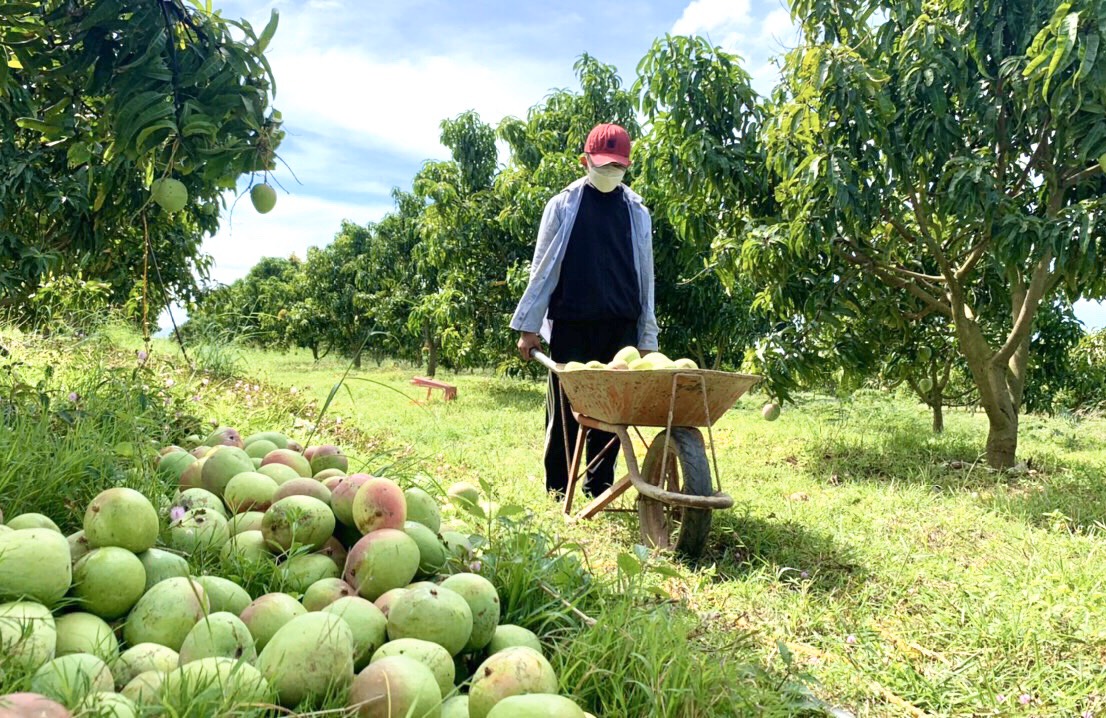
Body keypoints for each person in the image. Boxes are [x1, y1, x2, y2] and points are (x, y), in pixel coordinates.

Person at [510, 122, 659, 499]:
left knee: (611, 416)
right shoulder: (563, 205)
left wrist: (646, 337)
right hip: (573, 323)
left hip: (621, 328)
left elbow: (647, 276)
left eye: (618, 167)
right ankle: (558, 490)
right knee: (565, 413)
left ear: (627, 167)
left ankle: (599, 487)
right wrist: (529, 328)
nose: (610, 173)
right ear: (585, 161)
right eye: (604, 164)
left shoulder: (637, 211)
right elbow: (542, 268)